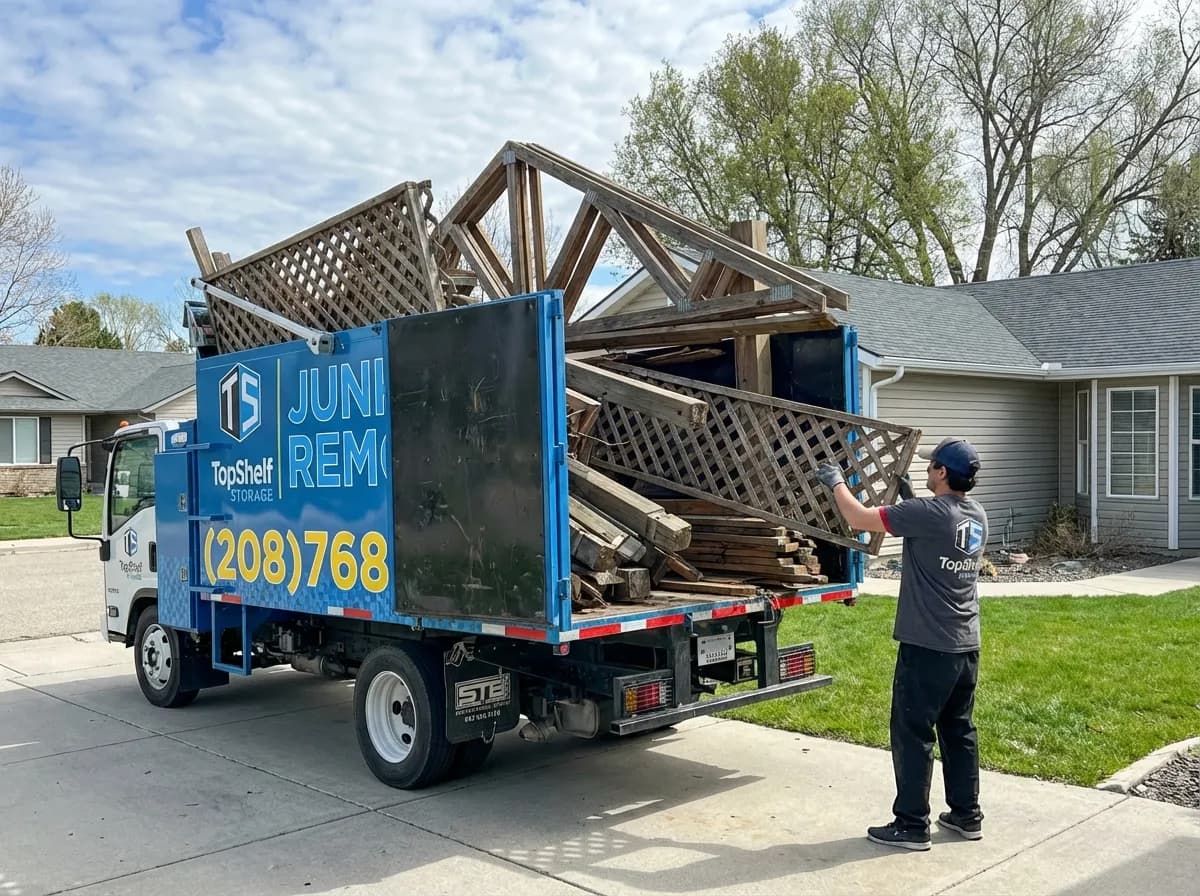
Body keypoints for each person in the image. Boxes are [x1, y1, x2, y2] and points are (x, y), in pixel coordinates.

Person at [815, 437, 988, 851]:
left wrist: (836, 481)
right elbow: (938, 534)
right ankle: (967, 816)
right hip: (965, 644)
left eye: (931, 468)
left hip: (927, 646)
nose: (927, 472)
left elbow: (857, 517)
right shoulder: (976, 514)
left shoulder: (926, 513)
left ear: (943, 473)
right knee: (959, 728)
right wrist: (911, 503)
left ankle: (911, 825)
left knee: (913, 732)